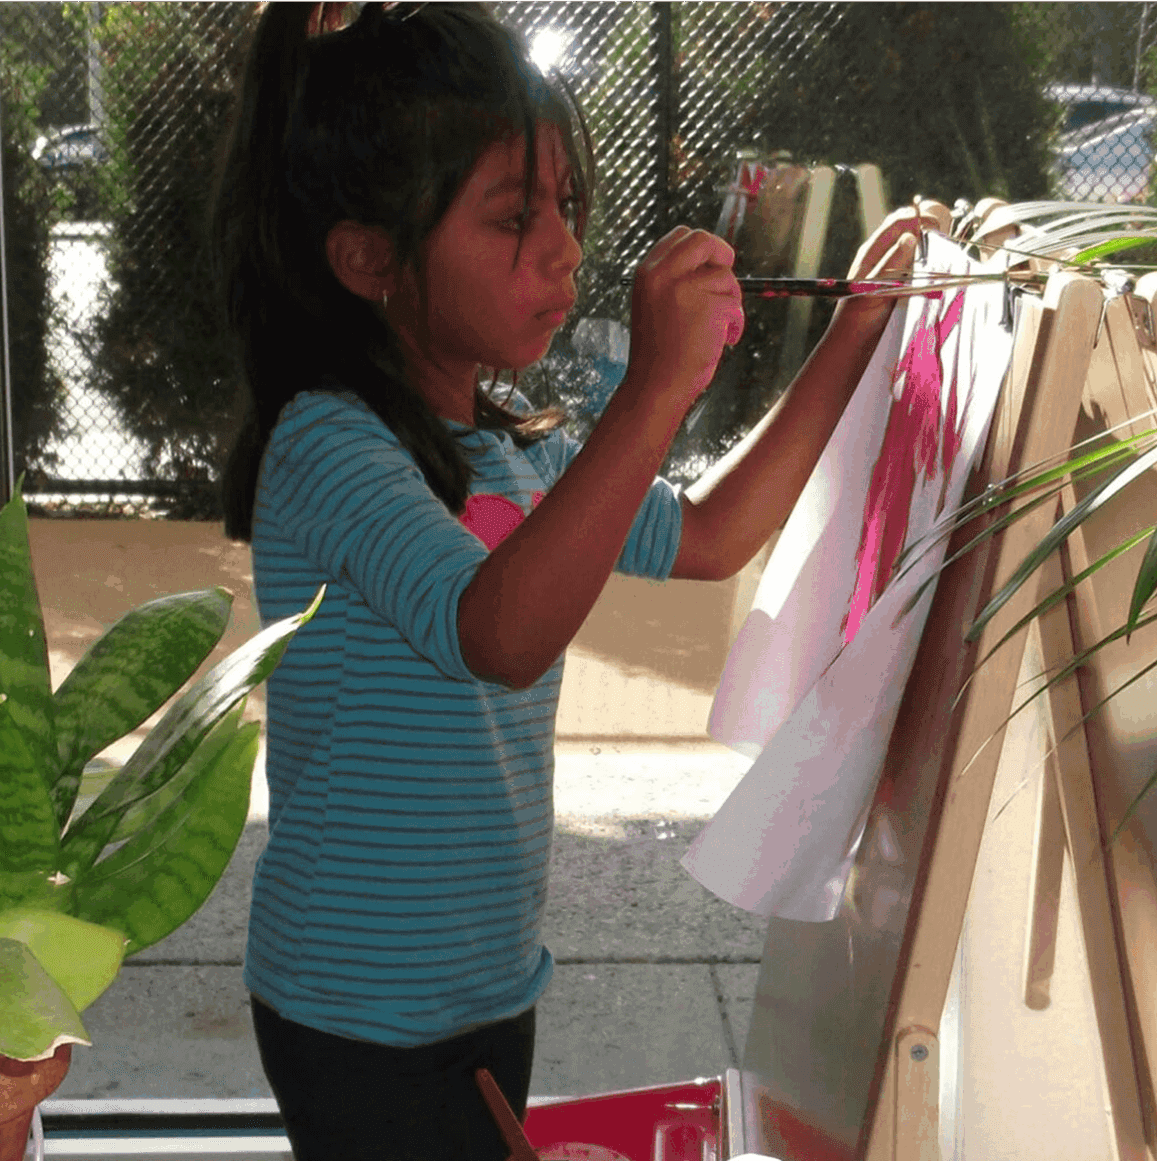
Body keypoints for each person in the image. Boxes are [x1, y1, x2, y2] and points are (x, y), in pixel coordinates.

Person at [210, 3, 932, 1157]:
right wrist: (652, 392)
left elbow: (709, 534)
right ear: (368, 259)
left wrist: (856, 330)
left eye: (569, 209)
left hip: (490, 983)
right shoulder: (329, 446)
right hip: (353, 1008)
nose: (563, 248)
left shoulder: (521, 450)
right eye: (512, 219)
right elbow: (495, 631)